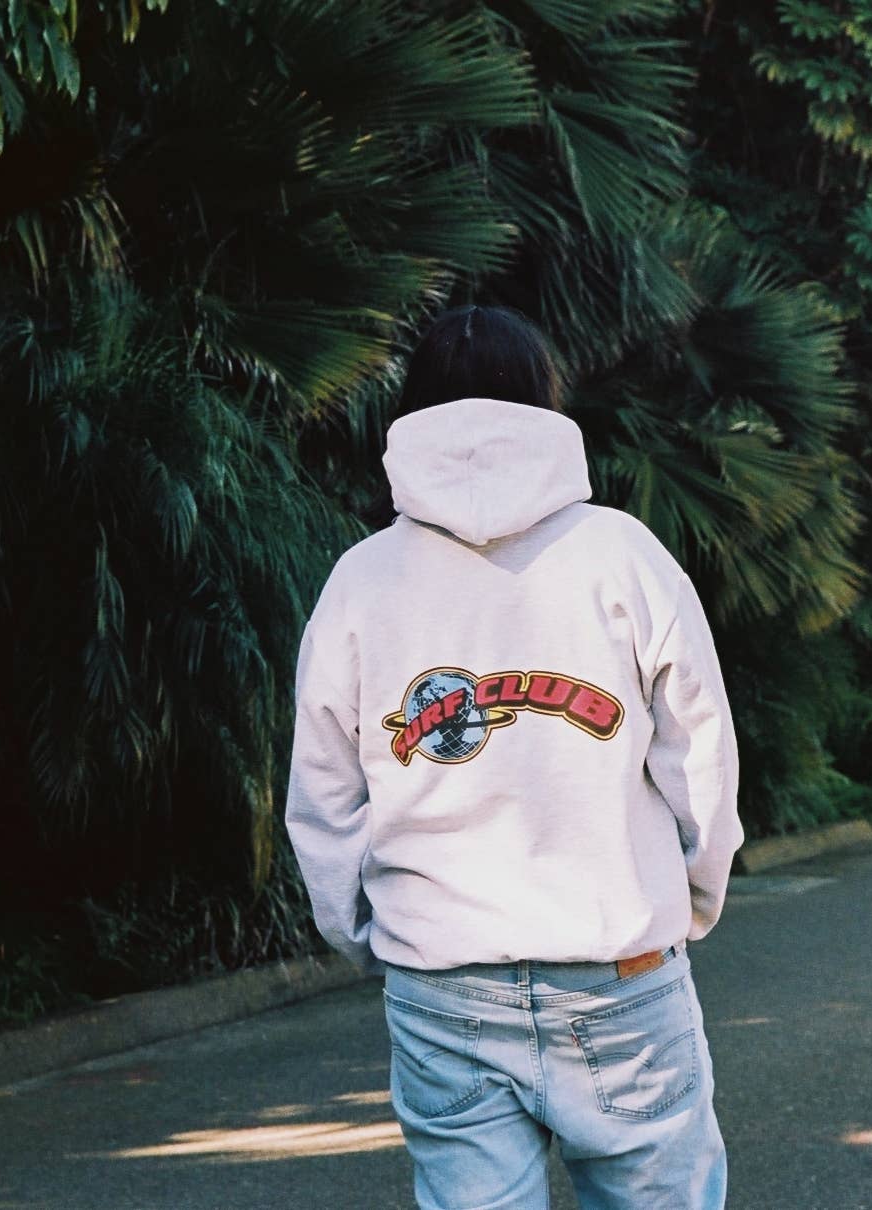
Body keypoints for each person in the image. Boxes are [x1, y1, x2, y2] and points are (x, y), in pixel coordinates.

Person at [285, 304, 743, 1210]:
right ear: (544, 405)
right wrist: (686, 901)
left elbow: (325, 799)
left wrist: (376, 936)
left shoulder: (361, 581)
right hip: (618, 973)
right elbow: (701, 761)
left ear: (412, 413)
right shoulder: (625, 557)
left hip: (442, 982)